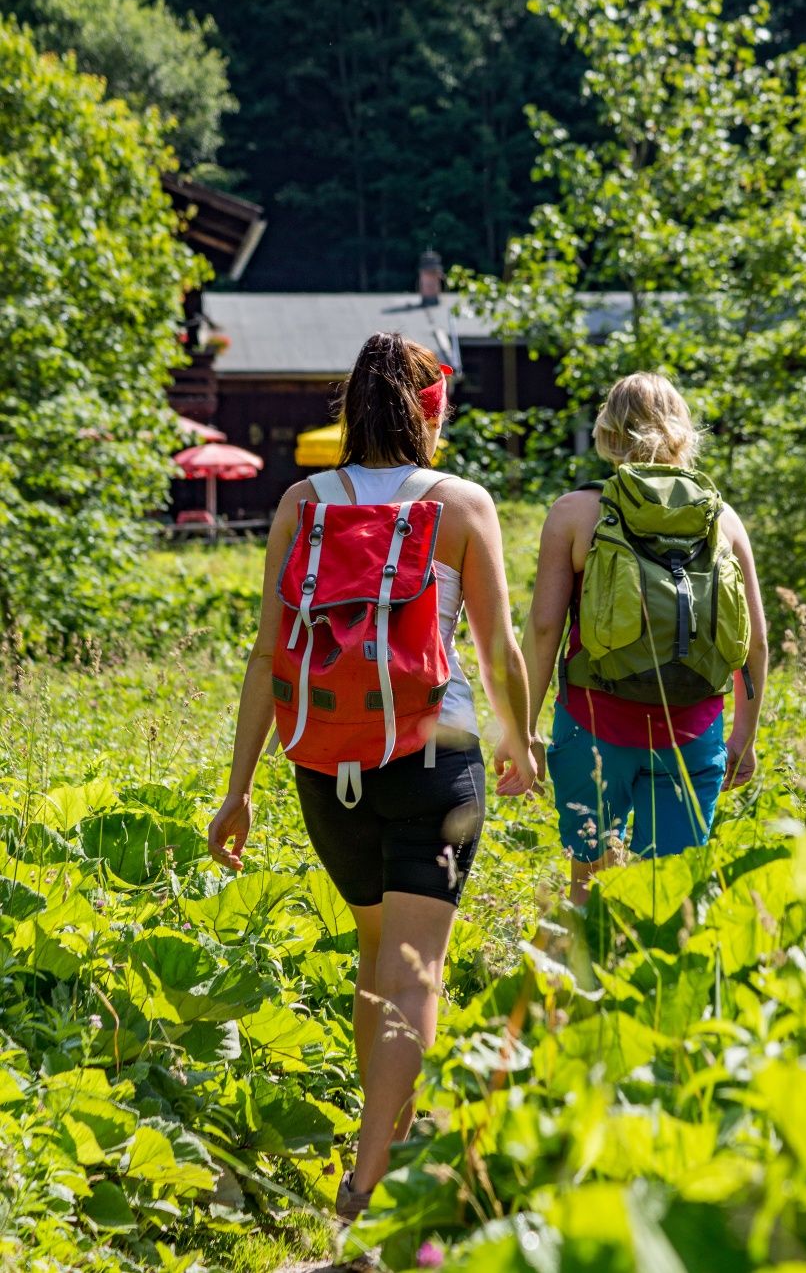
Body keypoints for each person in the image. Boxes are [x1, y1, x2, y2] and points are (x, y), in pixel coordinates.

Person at [206, 332, 538, 1218]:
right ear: (433, 410)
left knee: (374, 954)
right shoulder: (462, 503)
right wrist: (520, 740)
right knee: (415, 969)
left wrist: (238, 790)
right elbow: (498, 644)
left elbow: (269, 655)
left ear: (350, 409)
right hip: (436, 757)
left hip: (327, 766)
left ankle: (371, 1148)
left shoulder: (301, 503)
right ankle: (374, 1180)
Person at [496, 372, 767, 907]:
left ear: (606, 434)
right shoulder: (722, 517)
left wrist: (521, 728)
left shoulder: (575, 513)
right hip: (693, 732)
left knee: (589, 890)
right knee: (674, 899)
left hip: (592, 730)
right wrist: (745, 735)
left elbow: (545, 629)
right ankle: (662, 985)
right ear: (684, 433)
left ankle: (590, 983)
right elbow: (754, 639)